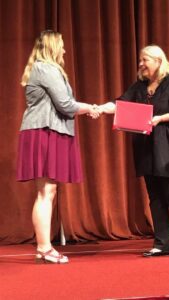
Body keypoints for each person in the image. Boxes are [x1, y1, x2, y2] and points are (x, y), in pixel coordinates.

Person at [97, 45, 169, 257]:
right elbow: (122, 103)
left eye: (145, 60)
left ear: (159, 61)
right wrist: (101, 108)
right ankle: (162, 243)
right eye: (140, 60)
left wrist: (161, 118)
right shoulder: (140, 86)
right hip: (149, 150)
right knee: (156, 197)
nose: (141, 64)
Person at [17, 30, 99, 264]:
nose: (64, 50)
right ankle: (44, 248)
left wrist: (87, 108)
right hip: (44, 131)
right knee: (46, 192)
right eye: (61, 46)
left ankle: (44, 247)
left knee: (48, 192)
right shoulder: (46, 68)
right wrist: (92, 107)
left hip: (48, 130)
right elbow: (65, 104)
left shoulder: (46, 69)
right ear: (53, 47)